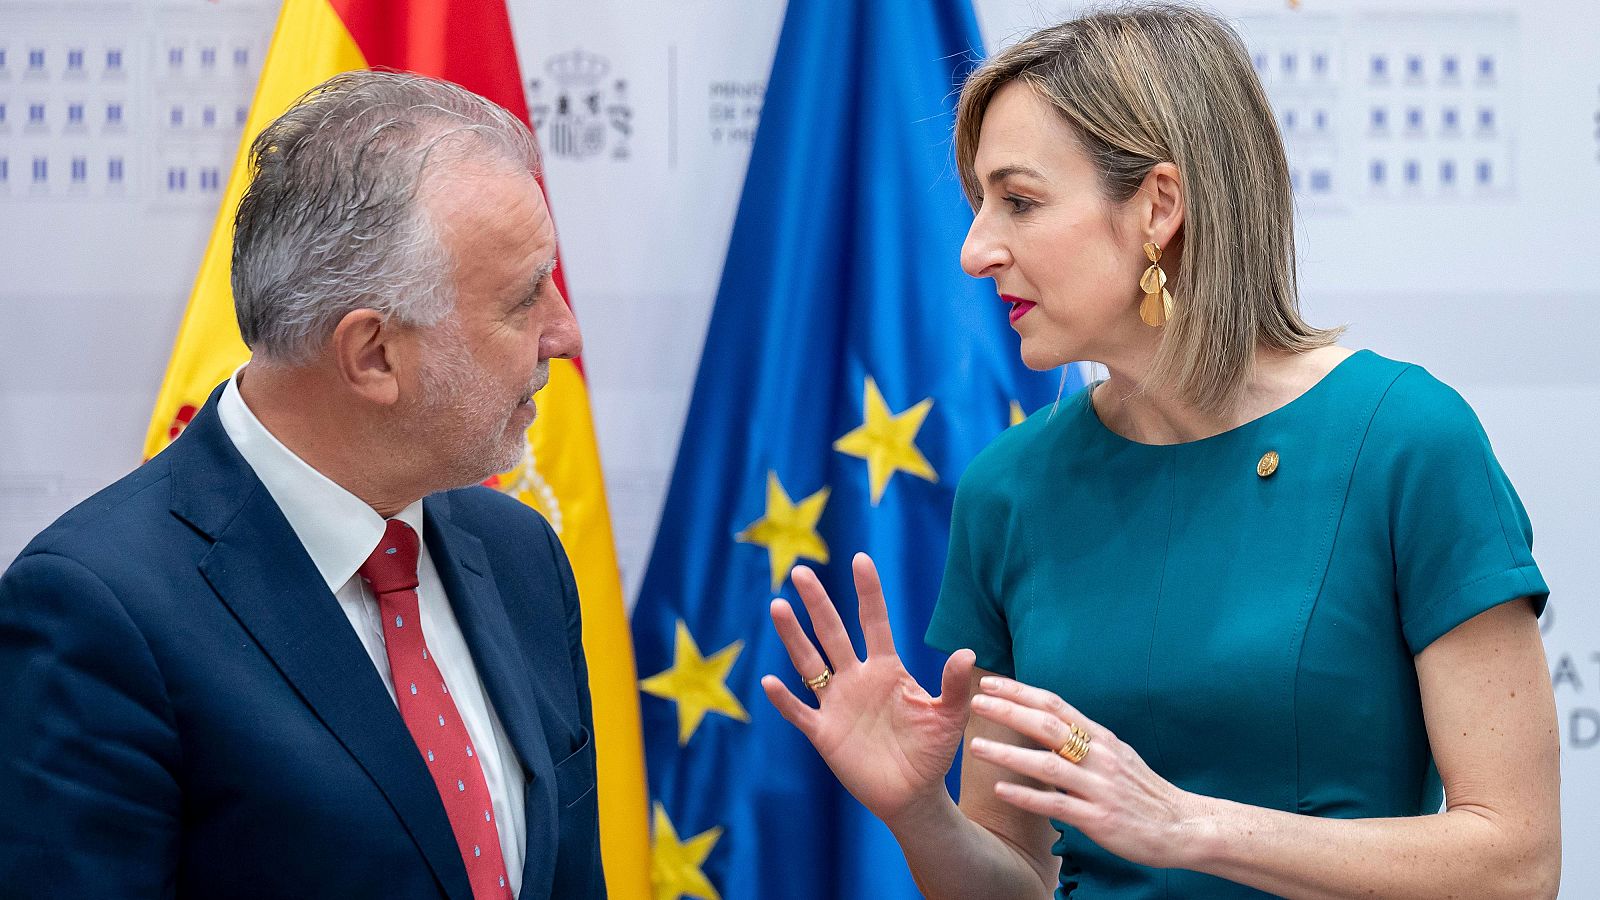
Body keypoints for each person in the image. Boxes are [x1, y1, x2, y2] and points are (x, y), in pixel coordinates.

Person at [761, 5, 1561, 898]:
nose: (975, 250)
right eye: (980, 203)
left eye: (1019, 201)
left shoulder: (1406, 441)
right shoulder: (1009, 489)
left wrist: (1189, 826)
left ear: (1159, 207)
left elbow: (1516, 864)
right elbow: (1020, 876)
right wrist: (918, 811)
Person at [0, 71, 606, 899]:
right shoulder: (98, 613)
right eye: (522, 298)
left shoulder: (520, 553)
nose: (564, 334)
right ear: (374, 355)